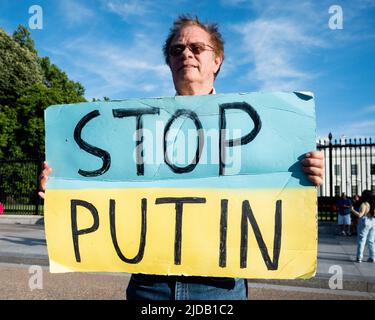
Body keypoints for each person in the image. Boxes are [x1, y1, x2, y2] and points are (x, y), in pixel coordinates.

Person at [38, 15, 324, 300]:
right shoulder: (138, 127)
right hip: (151, 284)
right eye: (177, 50)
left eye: (197, 48)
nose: (186, 53)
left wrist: (306, 173)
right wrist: (62, 184)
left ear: (217, 60)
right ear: (170, 63)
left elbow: (277, 187)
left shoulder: (257, 126)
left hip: (220, 286)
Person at [351, 190, 375, 263]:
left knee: (362, 240)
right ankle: (372, 257)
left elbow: (360, 215)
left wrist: (352, 210)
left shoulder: (364, 204)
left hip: (365, 221)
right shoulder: (373, 204)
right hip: (373, 221)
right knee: (371, 241)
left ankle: (359, 257)